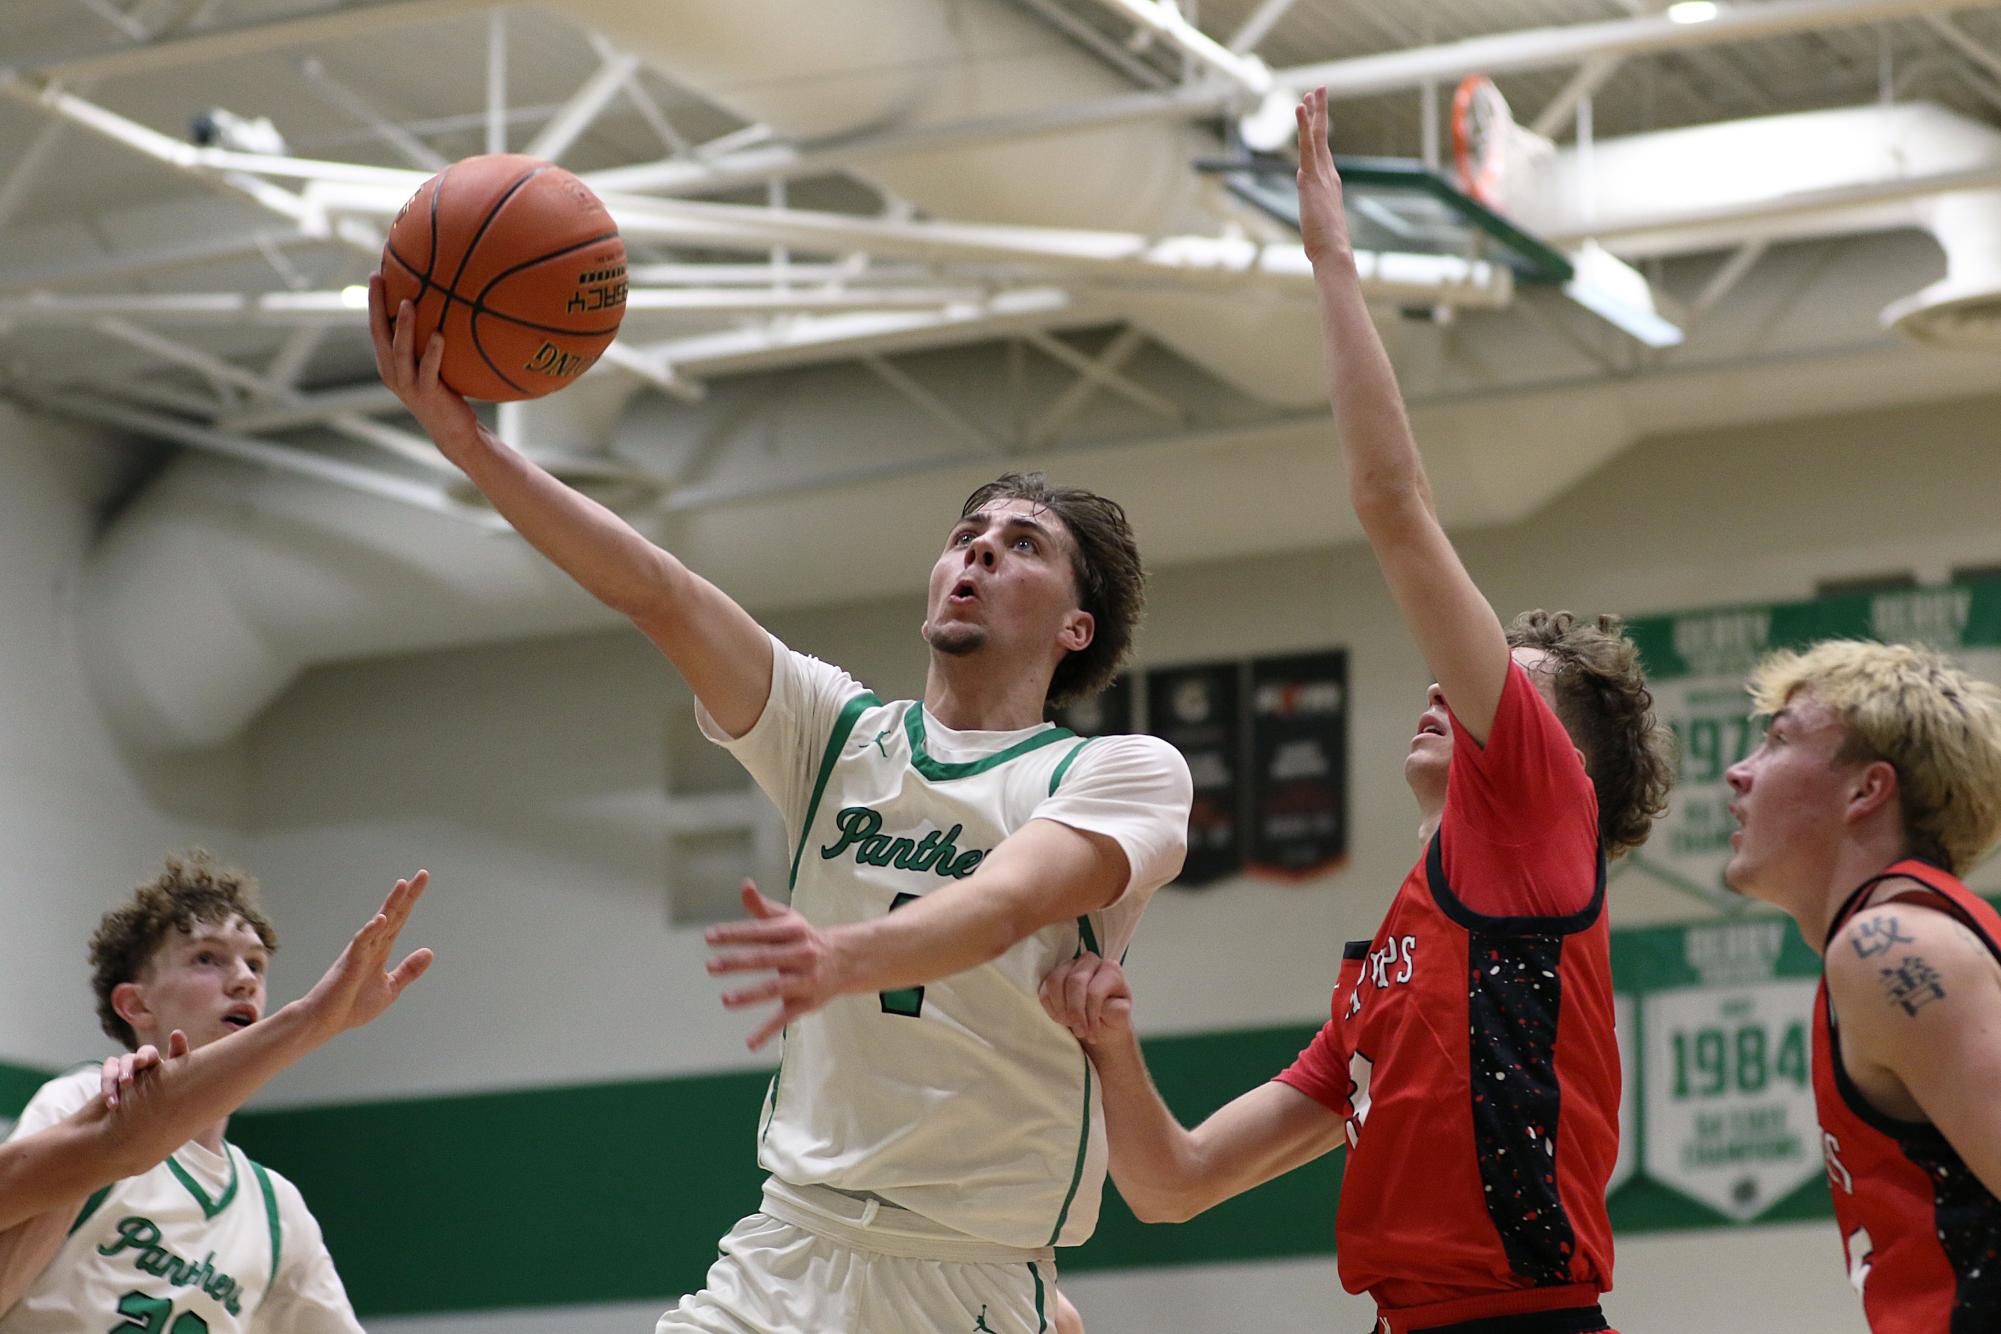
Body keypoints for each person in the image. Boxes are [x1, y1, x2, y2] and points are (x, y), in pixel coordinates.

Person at [369, 276, 1190, 1334]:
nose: (979, 549)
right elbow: (655, 590)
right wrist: (474, 447)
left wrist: (844, 957)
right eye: (967, 532)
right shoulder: (834, 730)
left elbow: (1003, 906)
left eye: (1023, 542)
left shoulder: (1115, 773)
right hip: (787, 1248)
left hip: (963, 1269)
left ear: (1078, 628)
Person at [1039, 87, 1673, 1334]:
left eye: (1503, 677)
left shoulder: (1541, 812)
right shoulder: (1400, 956)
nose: (1450, 679)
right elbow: (1172, 1184)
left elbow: (1393, 503)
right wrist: (1112, 1043)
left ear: (1557, 761)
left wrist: (1332, 257)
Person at [0, 853, 433, 1330]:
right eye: (207, 958)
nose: (245, 979)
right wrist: (314, 1019)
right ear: (136, 1003)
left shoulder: (275, 1208)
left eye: (255, 964)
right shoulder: (80, 1099)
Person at [1722, 640, 2001, 1332]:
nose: (1737, 772)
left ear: (1865, 789)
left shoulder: (1889, 945)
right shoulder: (1896, 935)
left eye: (1777, 741)